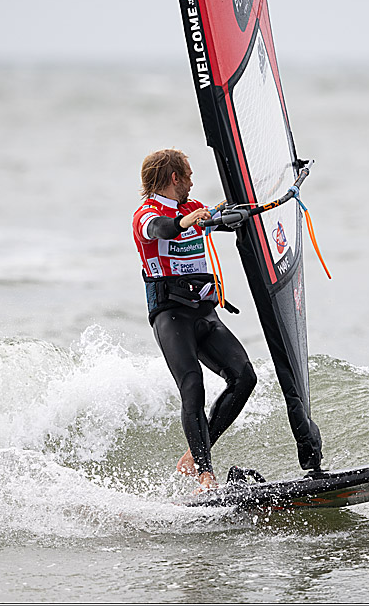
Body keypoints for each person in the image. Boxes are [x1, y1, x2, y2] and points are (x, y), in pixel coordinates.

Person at [132, 148, 257, 492]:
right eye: (188, 174)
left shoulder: (193, 207)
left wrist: (232, 214)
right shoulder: (146, 215)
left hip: (203, 313)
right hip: (171, 316)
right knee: (193, 385)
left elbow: (218, 219)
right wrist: (184, 223)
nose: (191, 181)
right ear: (175, 178)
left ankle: (194, 453)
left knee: (244, 377)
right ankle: (205, 475)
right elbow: (160, 229)